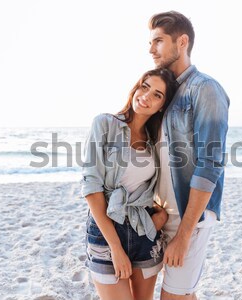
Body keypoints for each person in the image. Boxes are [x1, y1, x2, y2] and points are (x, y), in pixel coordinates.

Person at [148, 11, 230, 299]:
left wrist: (184, 234)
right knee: (181, 293)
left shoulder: (205, 89)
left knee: (173, 296)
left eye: (158, 41)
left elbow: (211, 164)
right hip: (163, 213)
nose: (151, 49)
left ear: (182, 42)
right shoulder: (166, 94)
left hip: (189, 215)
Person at [81, 68, 178, 300]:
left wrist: (161, 216)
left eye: (157, 94)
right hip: (106, 232)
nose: (146, 96)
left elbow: (158, 184)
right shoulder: (105, 124)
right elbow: (91, 189)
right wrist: (115, 247)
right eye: (144, 87)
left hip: (144, 229)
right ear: (136, 87)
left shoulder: (155, 139)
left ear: (162, 106)